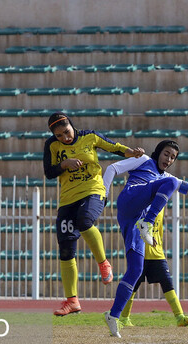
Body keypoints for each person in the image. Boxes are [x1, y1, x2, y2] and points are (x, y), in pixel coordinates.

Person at [101, 139, 188, 337]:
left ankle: (114, 316)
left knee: (136, 269)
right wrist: (103, 194)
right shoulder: (144, 160)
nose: (169, 159)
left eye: (173, 157)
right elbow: (112, 168)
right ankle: (149, 222)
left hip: (134, 220)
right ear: (158, 152)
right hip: (129, 201)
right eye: (166, 154)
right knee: (171, 183)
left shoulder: (167, 177)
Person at [43, 112, 144, 316]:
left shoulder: (90, 137)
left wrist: (131, 152)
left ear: (72, 125)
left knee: (85, 220)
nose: (65, 138)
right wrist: (64, 164)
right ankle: (72, 301)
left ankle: (103, 262)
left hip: (93, 191)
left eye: (66, 132)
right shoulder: (51, 145)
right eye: (59, 135)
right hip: (67, 199)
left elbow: (113, 147)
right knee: (65, 250)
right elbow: (49, 172)